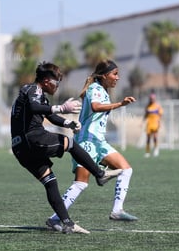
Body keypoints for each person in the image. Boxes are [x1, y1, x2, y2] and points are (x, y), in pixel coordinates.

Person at [10, 61, 122, 234]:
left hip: (21, 149)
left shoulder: (40, 96)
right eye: (56, 82)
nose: (57, 86)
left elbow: (49, 115)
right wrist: (61, 107)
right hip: (31, 139)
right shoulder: (33, 90)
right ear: (47, 80)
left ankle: (67, 223)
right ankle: (100, 174)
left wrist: (68, 122)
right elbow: (35, 107)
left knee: (50, 182)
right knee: (70, 143)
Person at [46, 59, 138, 231]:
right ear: (104, 76)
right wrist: (121, 104)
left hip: (99, 142)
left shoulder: (102, 90)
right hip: (87, 141)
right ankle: (55, 218)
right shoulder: (94, 88)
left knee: (126, 169)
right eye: (115, 74)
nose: (118, 77)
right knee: (81, 183)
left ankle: (117, 210)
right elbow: (95, 107)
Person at [143, 92, 163, 158]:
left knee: (155, 137)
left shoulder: (157, 106)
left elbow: (160, 115)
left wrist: (159, 122)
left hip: (155, 123)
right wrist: (142, 122)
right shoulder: (147, 106)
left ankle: (156, 149)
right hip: (149, 123)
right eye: (151, 98)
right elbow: (145, 115)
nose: (152, 99)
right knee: (148, 138)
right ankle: (147, 151)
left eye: (153, 98)